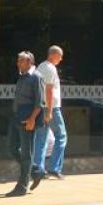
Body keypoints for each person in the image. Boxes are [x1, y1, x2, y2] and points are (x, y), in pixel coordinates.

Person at [6, 51, 45, 197]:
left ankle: (22, 187)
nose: (18, 63)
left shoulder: (36, 77)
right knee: (11, 148)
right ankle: (36, 171)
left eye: (21, 61)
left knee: (26, 155)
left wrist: (32, 119)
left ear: (29, 62)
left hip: (28, 119)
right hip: (16, 117)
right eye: (18, 60)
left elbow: (40, 102)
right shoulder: (22, 77)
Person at [33, 45, 68, 180]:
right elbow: (49, 90)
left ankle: (38, 169)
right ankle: (54, 168)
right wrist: (49, 111)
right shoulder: (50, 68)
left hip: (42, 106)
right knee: (61, 136)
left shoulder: (41, 67)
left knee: (41, 138)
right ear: (53, 55)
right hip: (51, 108)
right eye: (60, 56)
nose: (61, 59)